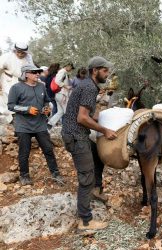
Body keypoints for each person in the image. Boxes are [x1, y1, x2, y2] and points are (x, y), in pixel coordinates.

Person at [62, 56, 117, 231]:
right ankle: (85, 220)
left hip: (76, 133)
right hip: (76, 136)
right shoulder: (89, 88)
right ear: (95, 71)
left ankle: (96, 189)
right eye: (105, 70)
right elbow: (82, 118)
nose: (107, 74)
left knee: (98, 154)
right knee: (86, 177)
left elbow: (87, 114)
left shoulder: (88, 86)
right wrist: (105, 130)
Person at [7, 64, 63, 185]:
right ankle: (24, 176)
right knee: (24, 152)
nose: (37, 74)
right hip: (23, 126)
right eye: (34, 72)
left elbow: (47, 101)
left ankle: (55, 174)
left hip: (40, 124)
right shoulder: (16, 88)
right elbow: (11, 106)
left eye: (38, 72)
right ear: (26, 74)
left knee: (48, 149)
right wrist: (27, 109)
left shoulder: (41, 87)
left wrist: (47, 108)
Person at [0, 42, 34, 123]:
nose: (20, 54)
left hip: (22, 81)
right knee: (8, 100)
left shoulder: (29, 58)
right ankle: (12, 118)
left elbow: (32, 69)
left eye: (23, 53)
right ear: (15, 50)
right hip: (8, 80)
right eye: (18, 52)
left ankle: (18, 118)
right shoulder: (6, 56)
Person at [47, 62, 74, 129]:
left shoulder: (62, 72)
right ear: (68, 66)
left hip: (59, 94)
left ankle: (50, 124)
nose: (71, 70)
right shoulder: (63, 71)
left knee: (60, 112)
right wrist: (66, 86)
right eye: (71, 68)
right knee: (67, 111)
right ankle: (69, 128)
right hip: (62, 94)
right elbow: (57, 81)